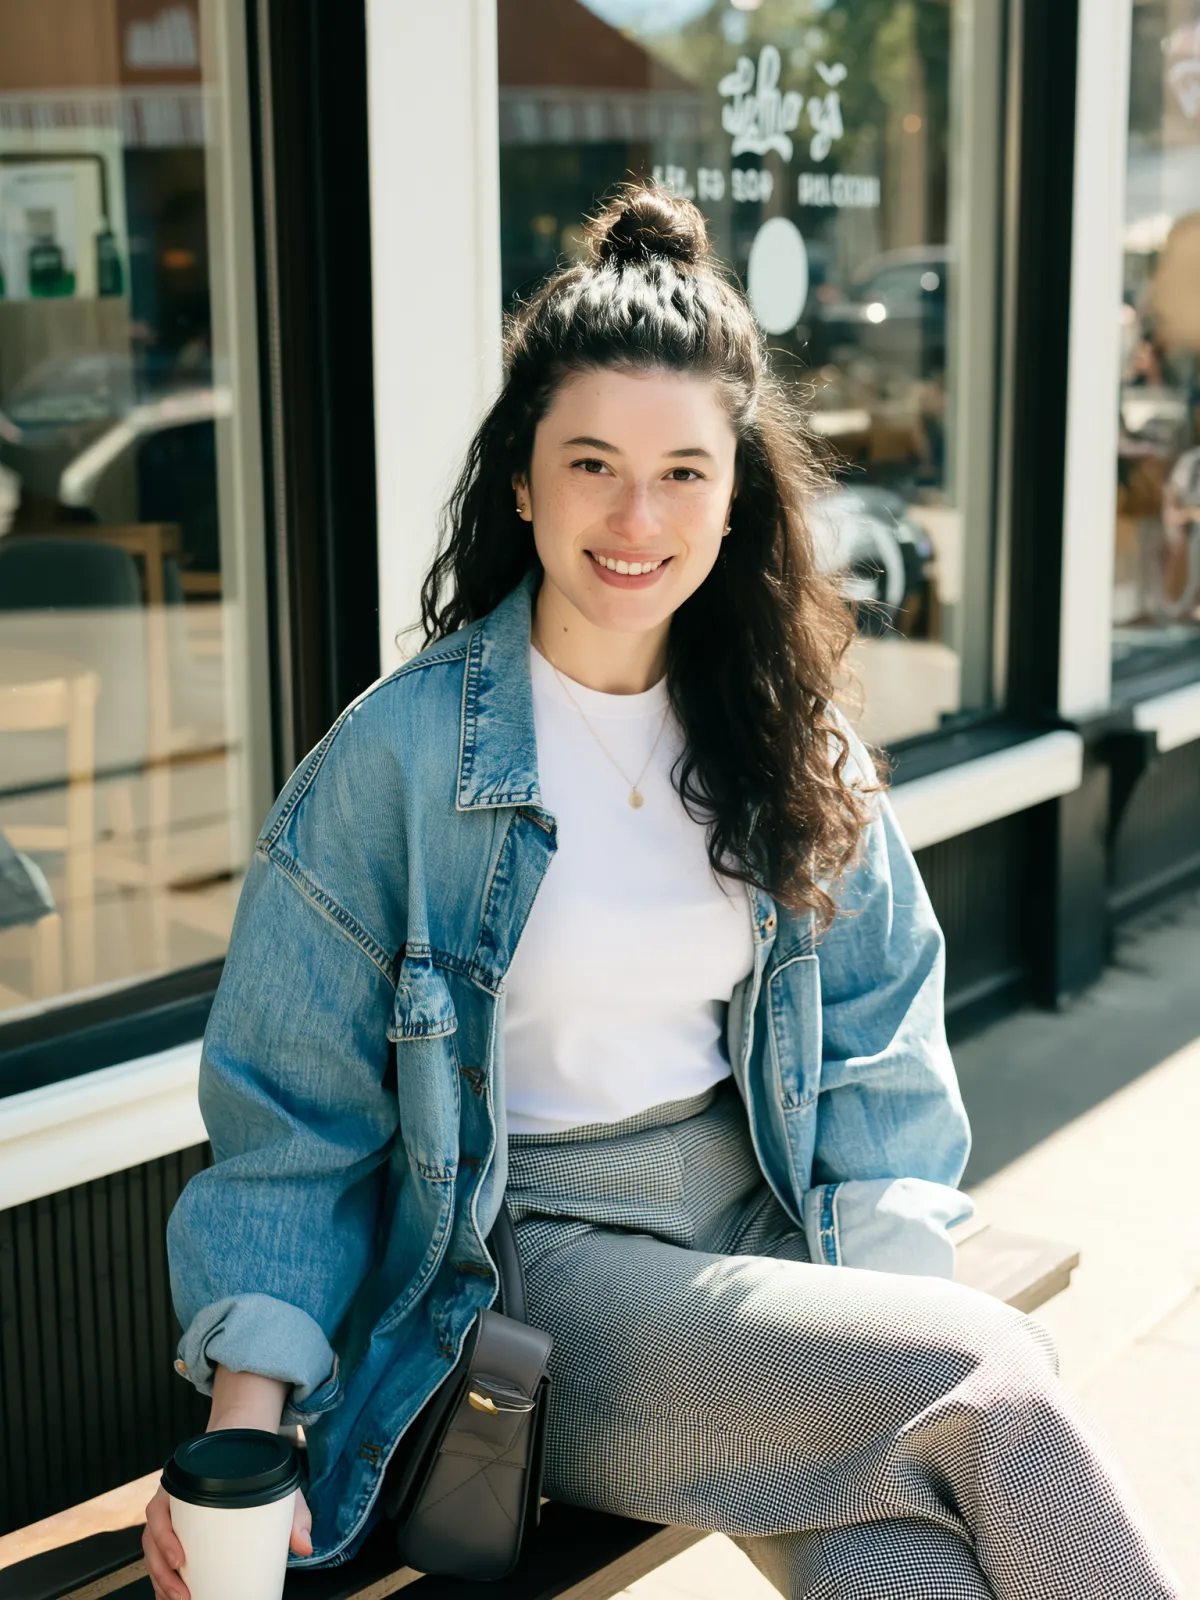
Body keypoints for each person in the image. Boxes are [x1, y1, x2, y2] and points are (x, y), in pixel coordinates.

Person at [145, 186, 1179, 1600]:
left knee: (908, 1565)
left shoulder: (782, 732)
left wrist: (882, 1290)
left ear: (738, 484)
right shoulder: (401, 763)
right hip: (542, 1278)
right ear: (524, 480)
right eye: (593, 465)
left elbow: (876, 1042)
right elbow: (294, 1121)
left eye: (686, 471)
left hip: (762, 1226)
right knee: (984, 1380)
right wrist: (243, 1443)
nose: (639, 518)